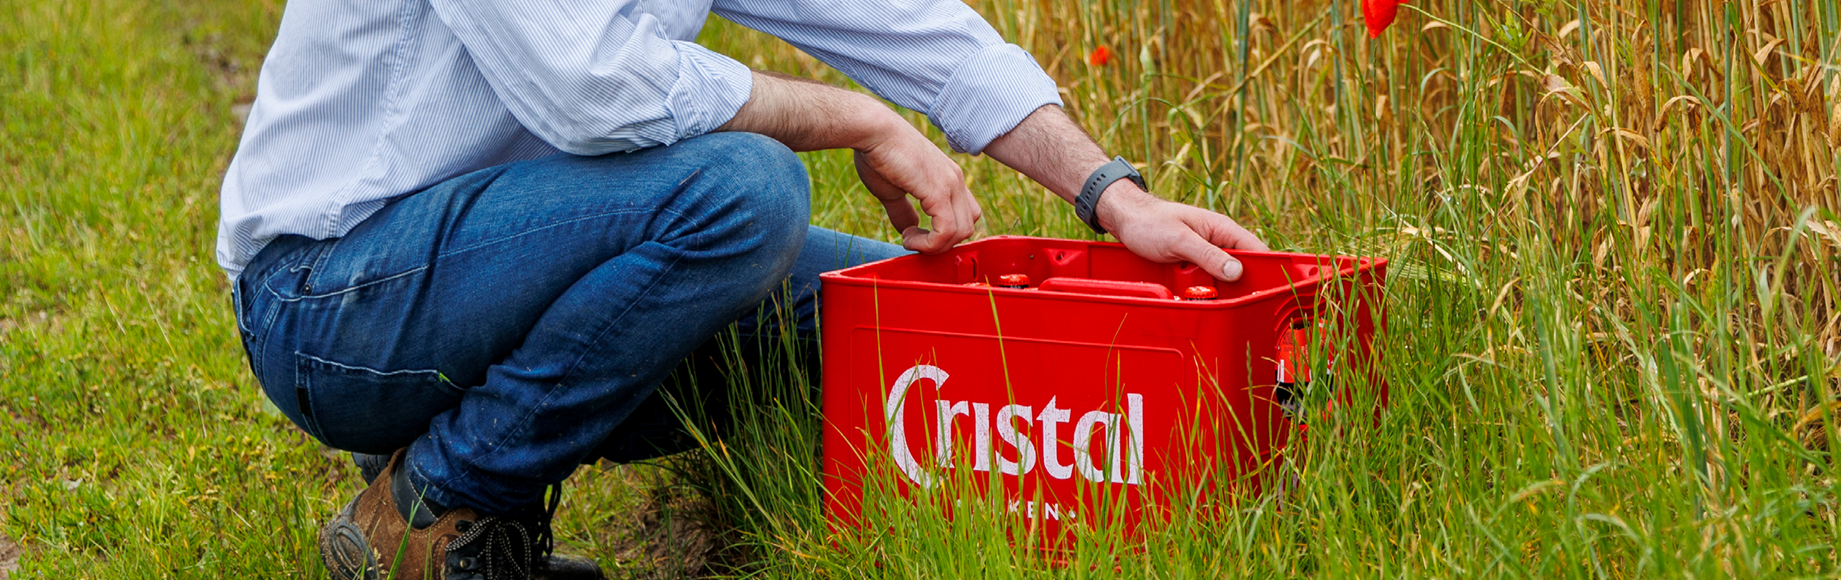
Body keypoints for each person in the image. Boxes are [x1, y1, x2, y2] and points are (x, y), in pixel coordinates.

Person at [219, 0, 1266, 576]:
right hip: (328, 304)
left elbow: (919, 32)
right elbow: (590, 89)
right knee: (745, 190)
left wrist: (1108, 193)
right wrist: (855, 119)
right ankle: (442, 504)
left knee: (879, 307)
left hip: (482, 281)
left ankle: (455, 495)